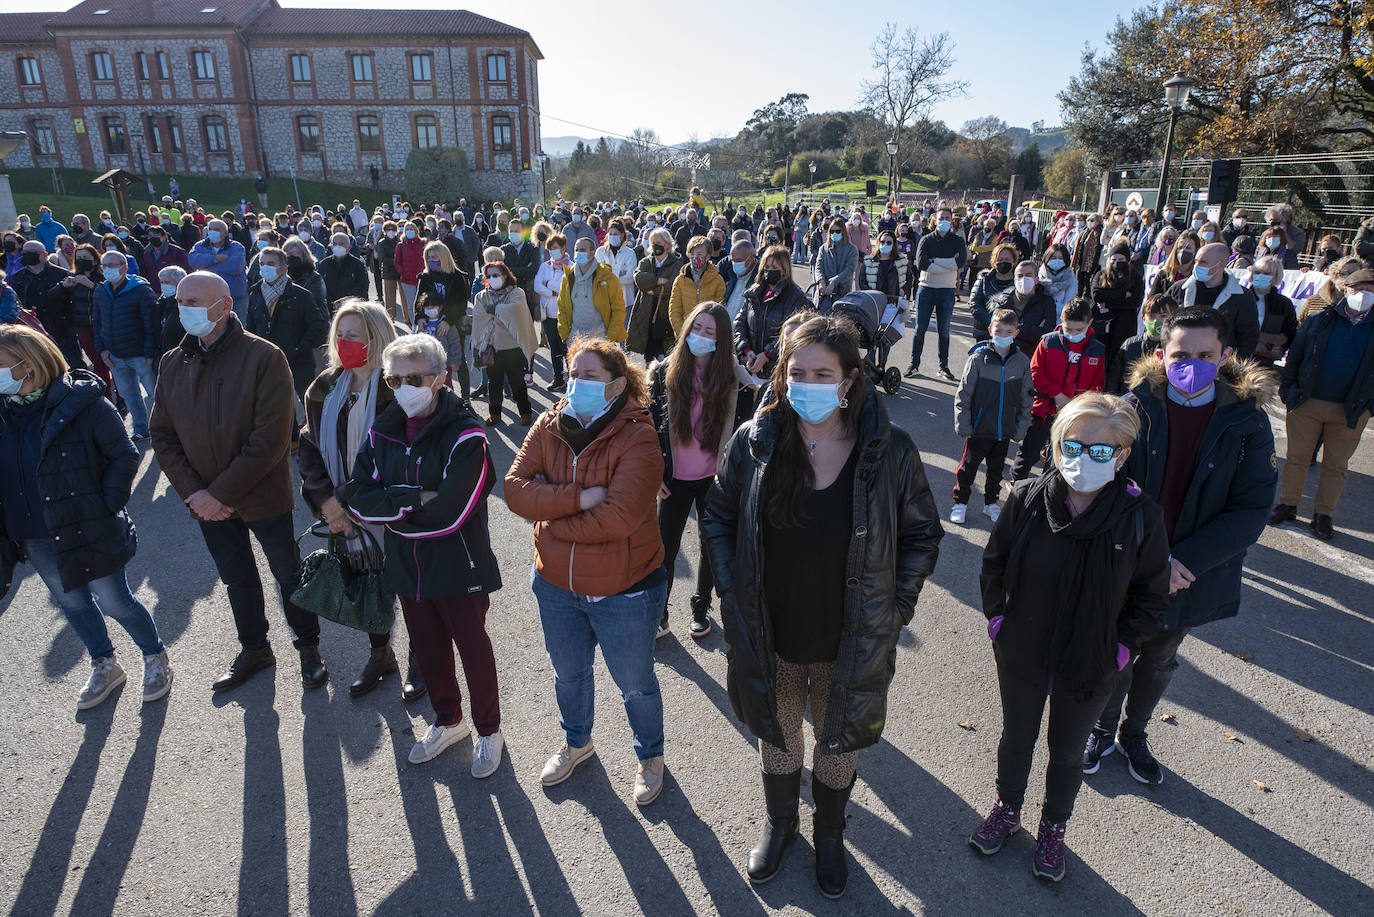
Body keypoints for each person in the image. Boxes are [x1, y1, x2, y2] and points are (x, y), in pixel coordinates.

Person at [703, 315, 942, 897]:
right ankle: (781, 824)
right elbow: (718, 516)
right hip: (770, 629)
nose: (806, 382)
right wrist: (731, 598)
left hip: (850, 635)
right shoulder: (756, 441)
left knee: (838, 744)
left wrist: (895, 609)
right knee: (779, 734)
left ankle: (830, 834)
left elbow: (922, 536)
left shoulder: (888, 450)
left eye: (822, 372)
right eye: (796, 370)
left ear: (850, 378)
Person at [973, 392, 1169, 883]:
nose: (1085, 459)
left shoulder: (1140, 516)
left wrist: (1121, 649)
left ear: (1122, 455)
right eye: (1074, 446)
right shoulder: (1026, 499)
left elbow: (1150, 596)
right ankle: (1007, 807)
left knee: (1066, 752)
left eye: (1101, 450)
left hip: (1092, 660)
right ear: (1057, 445)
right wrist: (998, 621)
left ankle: (1053, 827)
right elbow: (994, 566)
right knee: (1016, 737)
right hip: (1023, 649)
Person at [1082, 308, 1276, 787]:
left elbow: (1251, 508)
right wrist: (1147, 559)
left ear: (1226, 355)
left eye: (1205, 355)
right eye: (1180, 355)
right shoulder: (1131, 409)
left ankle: (1134, 734)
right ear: (1160, 356)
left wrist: (1183, 562)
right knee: (1119, 651)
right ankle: (1103, 730)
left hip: (1191, 572)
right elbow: (1099, 486)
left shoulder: (1247, 421)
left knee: (1161, 658)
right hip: (1128, 561)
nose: (1192, 364)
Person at [504, 337, 669, 806]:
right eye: (572, 373)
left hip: (626, 591)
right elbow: (515, 489)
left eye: (588, 376)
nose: (575, 382)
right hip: (556, 586)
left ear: (617, 386)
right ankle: (578, 743)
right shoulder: (549, 423)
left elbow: (620, 517)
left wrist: (550, 523)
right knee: (568, 676)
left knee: (636, 685)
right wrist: (577, 499)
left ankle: (650, 757)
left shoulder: (638, 435)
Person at [151, 271, 328, 691]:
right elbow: (162, 435)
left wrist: (218, 494)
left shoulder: (264, 357)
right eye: (181, 302)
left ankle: (308, 647)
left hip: (261, 495)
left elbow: (270, 439)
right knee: (237, 578)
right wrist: (196, 494)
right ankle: (255, 648)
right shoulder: (174, 362)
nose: (185, 310)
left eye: (195, 302)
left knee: (288, 574)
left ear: (225, 305)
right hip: (205, 503)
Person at [339, 334, 505, 775]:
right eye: (394, 379)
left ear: (442, 377)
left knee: (472, 648)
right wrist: (413, 498)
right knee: (428, 649)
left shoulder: (467, 434)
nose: (402, 388)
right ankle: (449, 719)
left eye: (414, 378)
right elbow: (355, 494)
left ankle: (489, 730)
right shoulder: (385, 427)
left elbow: (452, 511)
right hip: (406, 564)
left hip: (458, 563)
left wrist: (389, 506)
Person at [0, 325, 172, 710]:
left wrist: (105, 504)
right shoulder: (4, 409)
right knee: (72, 603)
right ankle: (104, 663)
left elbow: (124, 455)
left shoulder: (84, 403)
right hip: (32, 531)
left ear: (28, 366)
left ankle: (154, 655)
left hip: (87, 524)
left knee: (114, 601)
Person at [296, 301, 424, 699]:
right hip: (345, 508)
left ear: (377, 338)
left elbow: (415, 452)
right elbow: (309, 448)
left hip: (393, 508)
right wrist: (328, 504)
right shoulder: (324, 387)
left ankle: (422, 658)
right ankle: (381, 653)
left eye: (355, 334)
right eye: (340, 333)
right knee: (368, 580)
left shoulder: (400, 387)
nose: (344, 341)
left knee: (411, 584)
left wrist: (366, 497)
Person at [647, 302, 754, 639]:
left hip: (714, 478)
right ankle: (659, 613)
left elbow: (744, 432)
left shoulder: (735, 377)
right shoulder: (665, 372)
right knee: (665, 545)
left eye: (710, 332)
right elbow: (650, 429)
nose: (702, 336)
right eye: (697, 329)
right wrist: (655, 472)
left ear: (722, 339)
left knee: (711, 544)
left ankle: (700, 604)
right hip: (674, 479)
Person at [1271, 266, 1374, 540]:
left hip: (1351, 410)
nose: (1363, 295)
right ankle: (1287, 505)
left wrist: (1369, 406)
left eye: (1371, 291)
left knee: (1336, 465)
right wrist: (1288, 389)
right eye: (1358, 289)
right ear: (1345, 290)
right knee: (1297, 459)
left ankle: (1323, 514)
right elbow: (1295, 357)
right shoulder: (1319, 320)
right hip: (1307, 403)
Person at [1012, 298, 1107, 482]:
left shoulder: (1097, 350)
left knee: (1060, 457)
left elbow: (1097, 386)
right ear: (1061, 322)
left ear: (1090, 323)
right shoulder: (1049, 342)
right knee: (1029, 452)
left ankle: (1047, 488)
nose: (1072, 334)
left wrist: (1078, 404)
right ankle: (1017, 484)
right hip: (1043, 409)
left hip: (1075, 414)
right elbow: (1035, 372)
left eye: (1078, 330)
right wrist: (1056, 394)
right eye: (1067, 328)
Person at [952, 309, 1033, 524]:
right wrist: (963, 422)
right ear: (990, 330)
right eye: (999, 330)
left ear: (1016, 333)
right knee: (968, 468)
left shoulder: (1022, 362)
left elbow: (1027, 398)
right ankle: (960, 502)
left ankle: (990, 504)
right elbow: (964, 393)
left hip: (1003, 430)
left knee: (996, 470)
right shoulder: (978, 358)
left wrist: (1021, 427)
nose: (1003, 335)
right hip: (978, 428)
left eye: (1008, 331)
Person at [245, 247, 330, 402]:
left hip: (298, 366)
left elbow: (319, 327)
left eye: (270, 263)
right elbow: (250, 328)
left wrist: (299, 349)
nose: (265, 267)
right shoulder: (255, 294)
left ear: (284, 267)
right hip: (265, 365)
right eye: (262, 263)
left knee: (305, 409)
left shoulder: (301, 295)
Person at [93, 250, 159, 443]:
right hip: (115, 355)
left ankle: (163, 429)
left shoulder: (140, 290)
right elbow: (97, 320)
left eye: (112, 265)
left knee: (154, 393)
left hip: (139, 354)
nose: (108, 270)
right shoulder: (101, 290)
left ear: (124, 267)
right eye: (104, 266)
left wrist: (149, 352)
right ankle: (141, 428)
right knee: (129, 394)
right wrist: (102, 350)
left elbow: (150, 323)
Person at [471, 258, 538, 426]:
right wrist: (502, 315)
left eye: (496, 275)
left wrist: (495, 311)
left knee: (518, 382)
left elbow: (516, 312)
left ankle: (525, 411)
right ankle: (495, 413)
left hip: (513, 347)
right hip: (492, 347)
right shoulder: (481, 296)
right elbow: (480, 318)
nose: (493, 278)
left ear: (505, 275)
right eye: (489, 275)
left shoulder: (517, 293)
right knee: (494, 384)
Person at [1165, 242, 1260, 359]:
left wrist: (1232, 367)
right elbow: (1164, 325)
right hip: (1180, 361)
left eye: (1203, 262)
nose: (1197, 266)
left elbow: (1248, 337)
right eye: (1196, 261)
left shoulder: (1242, 297)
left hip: (1221, 366)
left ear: (1221, 264)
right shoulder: (1179, 288)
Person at [735, 245, 811, 385]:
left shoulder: (795, 296)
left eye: (775, 268)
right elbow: (739, 323)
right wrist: (746, 350)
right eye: (767, 266)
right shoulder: (753, 292)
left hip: (776, 371)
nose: (769, 271)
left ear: (785, 270)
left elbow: (791, 333)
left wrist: (767, 354)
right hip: (748, 366)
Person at [908, 207, 967, 380]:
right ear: (935, 219)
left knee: (944, 330)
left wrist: (936, 262)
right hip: (926, 288)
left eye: (947, 217)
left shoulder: (957, 240)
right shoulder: (926, 240)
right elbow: (922, 264)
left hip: (947, 291)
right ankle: (914, 364)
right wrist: (949, 264)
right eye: (941, 217)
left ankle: (943, 366)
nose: (944, 220)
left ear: (951, 220)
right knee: (920, 329)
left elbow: (960, 262)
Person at [556, 235, 626, 373]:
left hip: (600, 340)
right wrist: (566, 335)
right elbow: (562, 308)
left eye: (583, 249)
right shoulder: (568, 277)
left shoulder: (607, 277)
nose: (578, 252)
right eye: (576, 249)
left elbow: (618, 310)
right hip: (575, 341)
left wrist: (609, 338)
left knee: (598, 378)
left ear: (593, 252)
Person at [628, 228, 683, 362]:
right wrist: (658, 281)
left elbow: (672, 286)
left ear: (667, 244)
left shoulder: (676, 263)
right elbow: (639, 279)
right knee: (649, 355)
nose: (654, 245)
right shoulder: (646, 262)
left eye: (658, 242)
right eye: (652, 242)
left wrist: (653, 291)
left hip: (665, 315)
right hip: (646, 313)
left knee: (666, 355)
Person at [984, 260, 1058, 358]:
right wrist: (1031, 331)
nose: (1024, 279)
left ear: (1036, 279)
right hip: (1003, 354)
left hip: (1031, 356)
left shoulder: (1047, 302)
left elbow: (1046, 334)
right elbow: (996, 328)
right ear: (1014, 279)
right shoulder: (1004, 299)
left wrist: (1012, 329)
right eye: (1020, 275)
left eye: (1028, 275)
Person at [1106, 293, 1172, 395]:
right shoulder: (1130, 345)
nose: (1156, 320)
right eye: (1151, 316)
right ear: (1143, 317)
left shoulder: (1174, 347)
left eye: (1163, 316)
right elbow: (1114, 378)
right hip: (1129, 401)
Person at [1091, 243, 1146, 358]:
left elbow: (1135, 300)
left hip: (1125, 324)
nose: (1117, 262)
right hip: (1102, 323)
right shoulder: (1101, 275)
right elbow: (1097, 295)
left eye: (1121, 259)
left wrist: (1108, 301)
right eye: (1114, 259)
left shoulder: (1135, 276)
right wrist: (1123, 294)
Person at [186, 219, 249, 318]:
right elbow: (192, 261)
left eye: (216, 229)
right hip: (208, 297)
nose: (212, 232)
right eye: (210, 229)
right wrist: (215, 259)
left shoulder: (236, 247)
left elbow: (236, 267)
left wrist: (207, 266)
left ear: (225, 233)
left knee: (238, 327)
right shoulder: (200, 246)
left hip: (235, 296)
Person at [668, 236, 726, 338]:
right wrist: (683, 333)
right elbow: (674, 310)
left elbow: (719, 311)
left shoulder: (717, 280)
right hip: (685, 332)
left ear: (708, 256)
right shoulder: (680, 280)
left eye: (699, 254)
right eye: (692, 254)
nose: (695, 257)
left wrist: (709, 333)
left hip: (707, 335)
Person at [1248, 255, 1298, 367]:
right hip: (1236, 359)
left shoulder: (1284, 305)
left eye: (1266, 274)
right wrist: (1268, 339)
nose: (1260, 276)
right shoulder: (1240, 297)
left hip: (1264, 365)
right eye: (1257, 272)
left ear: (1275, 278)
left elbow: (1289, 335)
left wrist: (1272, 347)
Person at [969, 244, 1019, 340]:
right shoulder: (983, 280)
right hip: (984, 332)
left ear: (1014, 261)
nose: (1003, 262)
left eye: (1007, 259)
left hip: (1010, 335)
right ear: (994, 261)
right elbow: (974, 303)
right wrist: (993, 323)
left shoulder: (1018, 283)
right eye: (1000, 259)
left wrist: (1008, 326)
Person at [813, 218, 858, 314]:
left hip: (842, 294)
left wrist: (833, 282)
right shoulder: (823, 248)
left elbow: (849, 270)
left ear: (843, 232)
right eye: (832, 231)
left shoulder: (852, 249)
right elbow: (818, 267)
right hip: (823, 294)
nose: (834, 234)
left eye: (837, 231)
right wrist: (821, 281)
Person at [319, 231, 370, 310]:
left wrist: (344, 301)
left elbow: (362, 288)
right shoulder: (324, 264)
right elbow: (319, 287)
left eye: (341, 244)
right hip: (328, 310)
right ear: (331, 246)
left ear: (349, 247)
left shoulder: (358, 265)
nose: (338, 246)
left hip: (352, 309)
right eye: (335, 244)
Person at [597, 219, 638, 313]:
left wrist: (609, 274)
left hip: (625, 301)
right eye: (610, 234)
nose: (612, 236)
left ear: (622, 235)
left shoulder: (630, 253)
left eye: (615, 234)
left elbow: (631, 278)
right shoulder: (601, 252)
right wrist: (619, 273)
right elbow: (598, 276)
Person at [857, 230, 910, 303]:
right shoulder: (868, 261)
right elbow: (862, 281)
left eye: (889, 243)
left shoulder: (902, 261)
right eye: (882, 242)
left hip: (894, 300)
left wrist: (904, 290)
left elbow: (910, 278)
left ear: (893, 244)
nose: (885, 244)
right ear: (878, 242)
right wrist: (871, 293)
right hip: (874, 302)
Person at [393, 221, 425, 325]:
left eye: (411, 229)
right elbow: (397, 262)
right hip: (407, 280)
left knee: (423, 304)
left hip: (422, 279)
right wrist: (402, 272)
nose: (409, 231)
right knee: (411, 305)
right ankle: (414, 325)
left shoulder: (422, 243)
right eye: (407, 229)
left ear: (416, 231)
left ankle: (424, 325)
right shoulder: (401, 245)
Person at [1038, 243, 1078, 311]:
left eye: (1060, 258)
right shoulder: (1039, 276)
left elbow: (1067, 307)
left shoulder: (1070, 278)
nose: (1057, 261)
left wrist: (1045, 306)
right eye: (1053, 258)